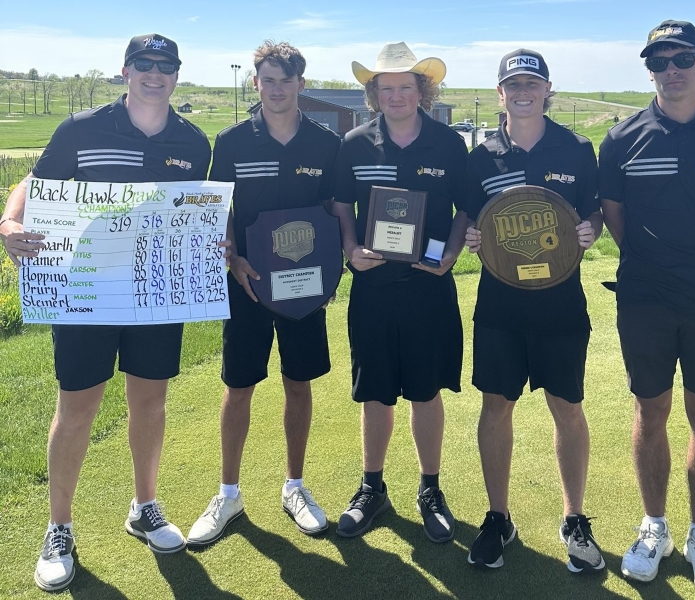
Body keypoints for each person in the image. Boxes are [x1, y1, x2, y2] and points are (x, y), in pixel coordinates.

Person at [0, 34, 212, 592]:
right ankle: (59, 528)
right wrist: (10, 221)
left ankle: (144, 506)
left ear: (176, 75)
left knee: (151, 401)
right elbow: (33, 182)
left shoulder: (193, 142)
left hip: (155, 292)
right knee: (77, 408)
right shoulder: (81, 128)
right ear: (125, 71)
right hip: (85, 289)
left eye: (167, 65)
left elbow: (191, 211)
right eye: (144, 63)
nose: (154, 73)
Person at [599, 21, 695, 597]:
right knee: (650, 411)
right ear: (649, 69)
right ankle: (655, 527)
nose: (671, 69)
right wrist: (655, 266)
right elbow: (614, 215)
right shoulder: (622, 138)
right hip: (643, 298)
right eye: (659, 61)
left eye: (682, 57)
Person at [186, 41, 340, 546]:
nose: (276, 89)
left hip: (302, 292)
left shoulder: (325, 143)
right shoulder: (230, 143)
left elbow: (333, 210)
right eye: (267, 80)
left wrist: (333, 269)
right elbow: (220, 210)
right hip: (247, 286)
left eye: (286, 80)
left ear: (301, 84)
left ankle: (295, 486)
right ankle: (228, 492)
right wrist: (232, 257)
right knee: (239, 387)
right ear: (255, 83)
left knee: (299, 383)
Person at [462, 49, 605, 573]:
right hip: (499, 307)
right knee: (496, 406)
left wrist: (593, 227)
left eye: (532, 82)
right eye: (512, 83)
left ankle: (574, 518)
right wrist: (472, 234)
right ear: (500, 93)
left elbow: (592, 209)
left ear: (548, 89)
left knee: (567, 407)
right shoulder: (480, 158)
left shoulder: (576, 149)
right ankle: (498, 517)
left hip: (562, 305)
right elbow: (469, 216)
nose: (522, 91)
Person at [330, 42, 470, 542]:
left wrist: (451, 254)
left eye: (405, 87)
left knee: (426, 390)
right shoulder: (353, 144)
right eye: (385, 88)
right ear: (374, 94)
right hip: (373, 287)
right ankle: (372, 488)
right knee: (376, 392)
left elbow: (467, 209)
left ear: (421, 90)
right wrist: (349, 248)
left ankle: (430, 489)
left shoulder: (449, 144)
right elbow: (341, 204)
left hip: (428, 287)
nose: (395, 96)